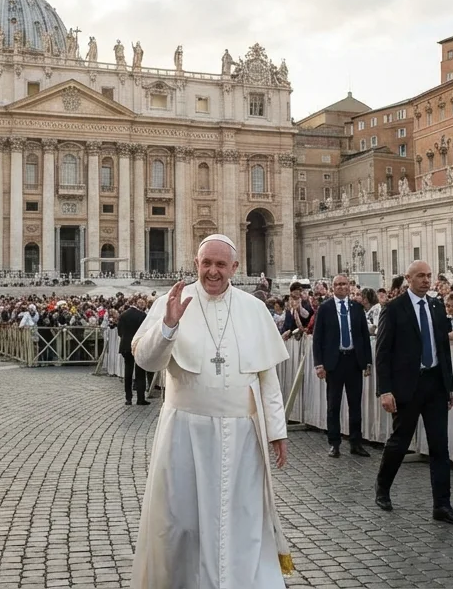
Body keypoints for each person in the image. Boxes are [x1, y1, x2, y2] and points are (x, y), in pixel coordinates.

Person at [130, 235, 292, 588]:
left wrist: (276, 431)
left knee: (241, 519)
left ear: (235, 268)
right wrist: (169, 327)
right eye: (206, 264)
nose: (213, 272)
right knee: (182, 521)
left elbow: (267, 378)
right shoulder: (171, 302)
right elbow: (146, 360)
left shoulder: (254, 309)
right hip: (184, 434)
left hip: (242, 437)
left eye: (221, 265)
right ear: (196, 264)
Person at [373, 260, 453, 525]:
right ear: (408, 279)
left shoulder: (437, 306)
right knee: (400, 441)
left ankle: (442, 505)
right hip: (406, 386)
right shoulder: (393, 309)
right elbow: (383, 353)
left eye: (428, 276)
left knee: (439, 447)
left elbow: (443, 349)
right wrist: (385, 390)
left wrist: (449, 386)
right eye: (420, 276)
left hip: (434, 384)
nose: (426, 280)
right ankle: (383, 488)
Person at [313, 274, 373, 458]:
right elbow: (318, 338)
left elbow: (364, 336)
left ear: (349, 287)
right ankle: (334, 443)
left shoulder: (357, 308)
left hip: (354, 360)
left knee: (355, 405)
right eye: (337, 284)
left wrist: (367, 361)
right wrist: (319, 364)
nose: (341, 287)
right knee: (334, 405)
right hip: (334, 362)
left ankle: (356, 443)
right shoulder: (325, 308)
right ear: (333, 288)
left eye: (344, 284)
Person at [116, 296, 150, 406]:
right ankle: (140, 398)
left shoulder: (123, 315)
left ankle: (128, 398)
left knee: (128, 372)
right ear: (142, 306)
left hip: (125, 346)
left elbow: (119, 332)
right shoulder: (143, 316)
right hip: (138, 346)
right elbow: (145, 332)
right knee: (140, 373)